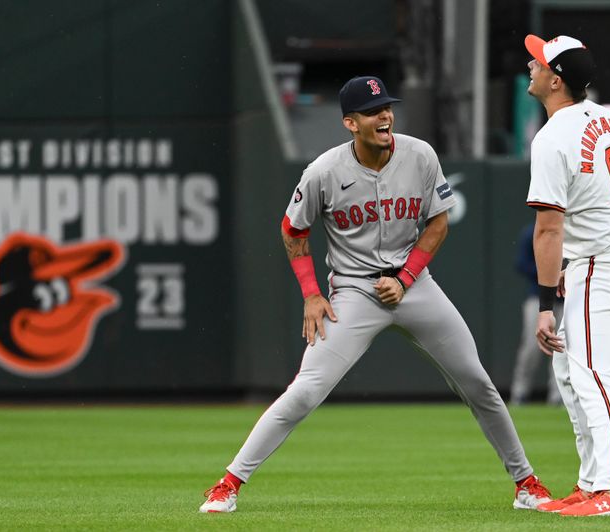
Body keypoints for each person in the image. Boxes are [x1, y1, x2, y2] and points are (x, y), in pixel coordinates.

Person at [199, 75, 552, 513]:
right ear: (350, 122)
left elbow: (438, 223)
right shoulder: (324, 172)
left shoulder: (419, 154)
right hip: (353, 291)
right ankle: (228, 483)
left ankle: (527, 483)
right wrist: (311, 294)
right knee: (306, 390)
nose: (385, 116)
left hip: (414, 285)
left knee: (478, 383)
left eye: (387, 107)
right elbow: (293, 230)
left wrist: (405, 279)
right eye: (372, 111)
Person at [524, 34, 610, 516]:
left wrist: (542, 305)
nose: (529, 66)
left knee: (593, 372)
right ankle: (592, 480)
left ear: (556, 79)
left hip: (603, 262)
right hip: (605, 254)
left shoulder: (553, 135)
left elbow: (548, 228)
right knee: (572, 372)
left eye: (538, 62)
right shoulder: (607, 119)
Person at [509, 222, 563, 406]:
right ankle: (520, 391)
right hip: (537, 297)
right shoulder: (532, 232)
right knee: (531, 346)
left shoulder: (570, 230)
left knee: (562, 348)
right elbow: (521, 263)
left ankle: (558, 394)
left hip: (565, 299)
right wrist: (548, 272)